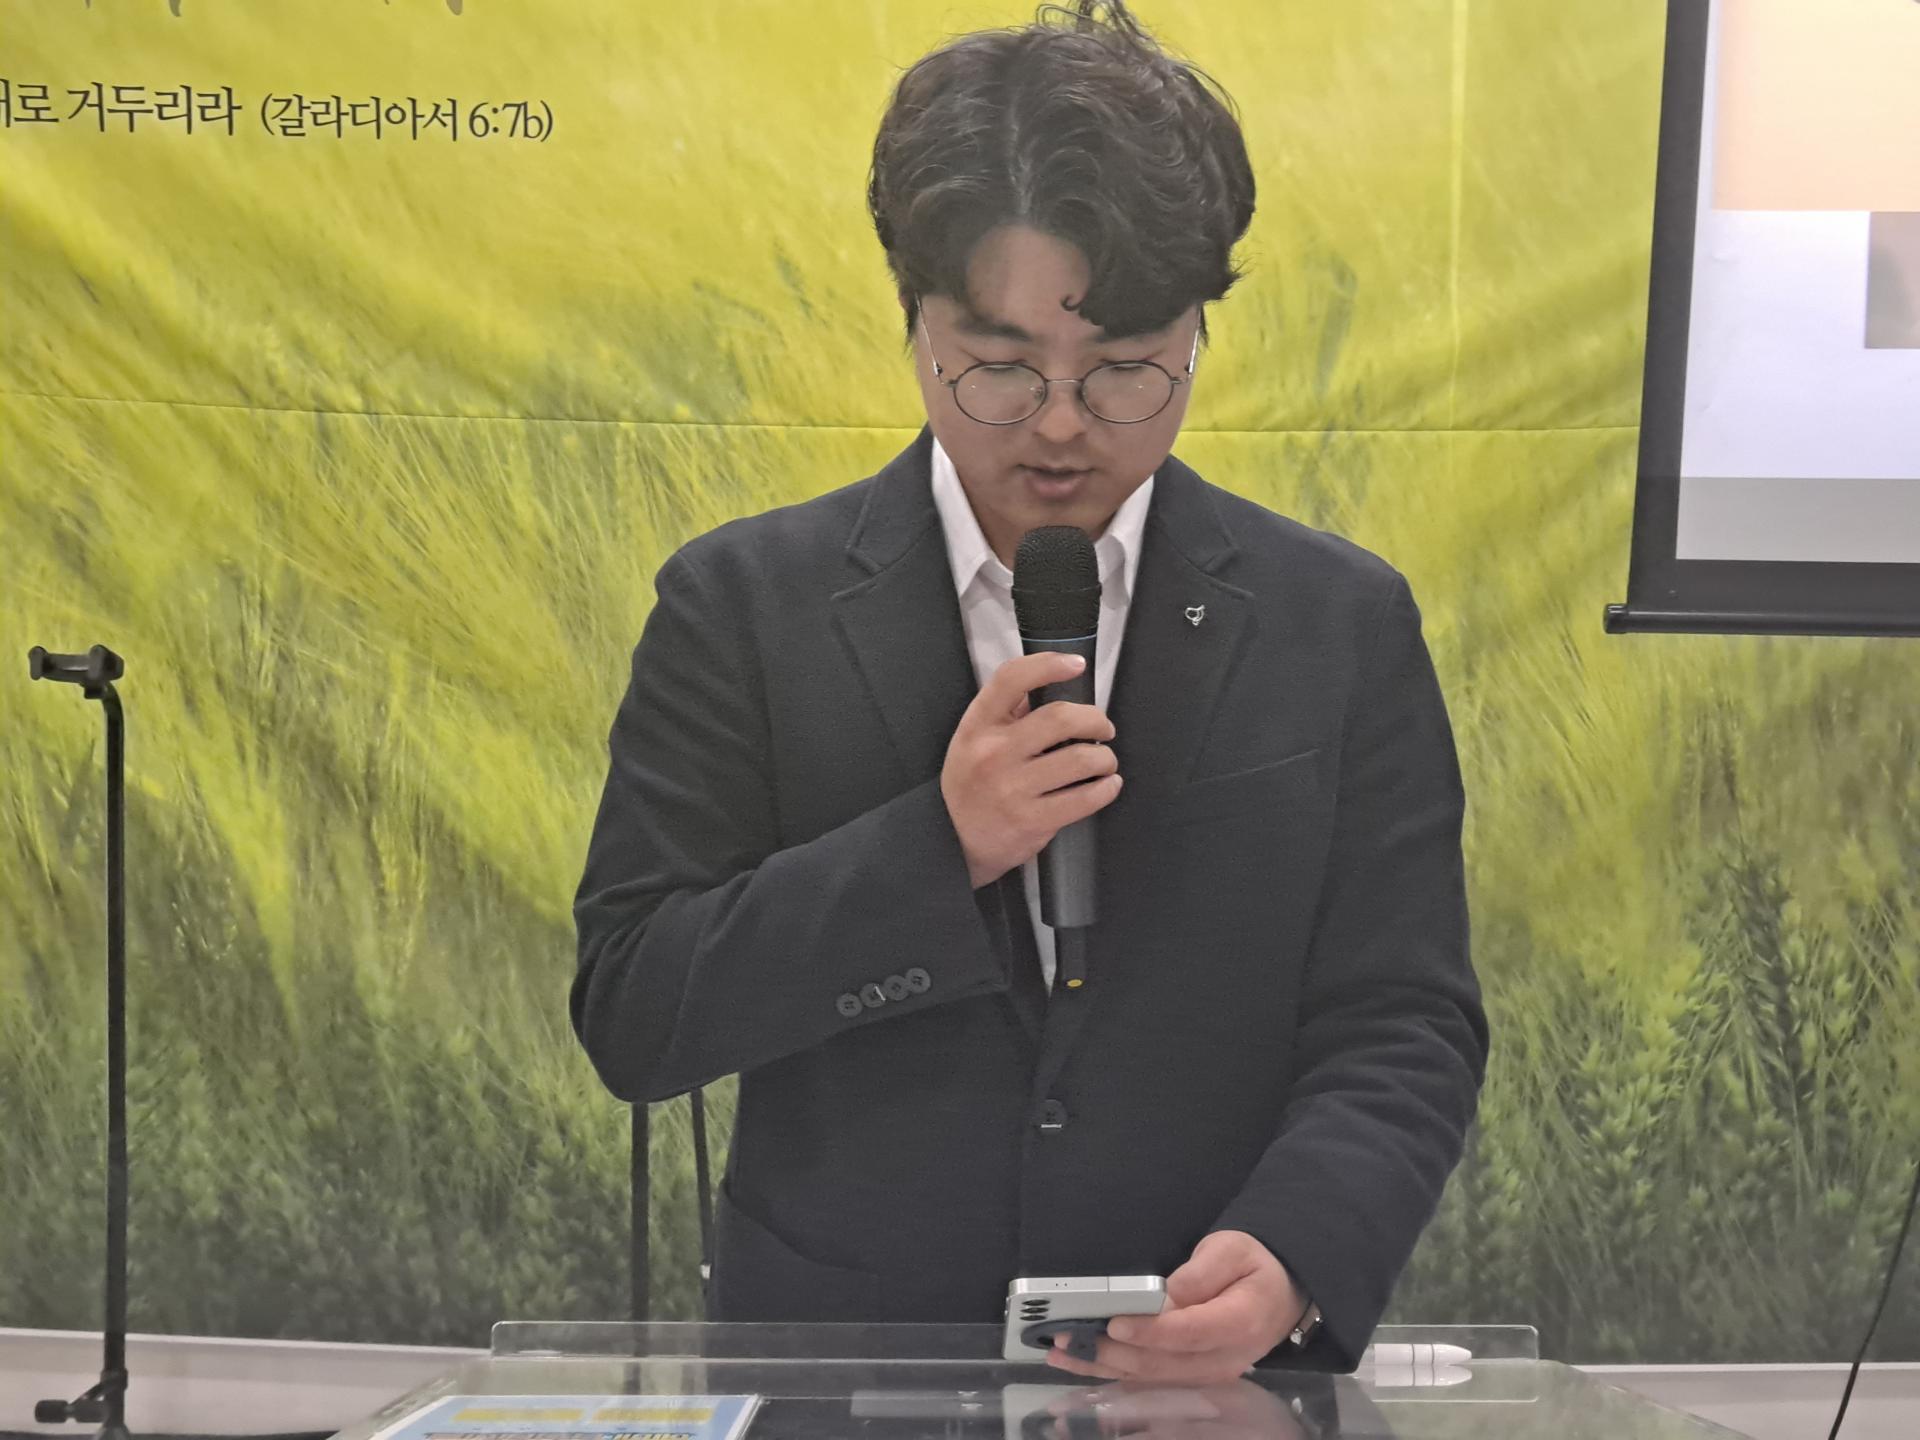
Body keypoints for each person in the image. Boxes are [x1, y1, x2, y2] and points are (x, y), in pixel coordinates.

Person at [571, 0, 1487, 1386]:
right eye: (999, 367)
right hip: (842, 1379)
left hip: (1201, 1379)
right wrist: (935, 852)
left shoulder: (1338, 623)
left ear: (1197, 334)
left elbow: (1405, 1018)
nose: (1061, 423)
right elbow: (637, 1009)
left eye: (1125, 371)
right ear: (913, 323)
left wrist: (1297, 1251)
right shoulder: (741, 606)